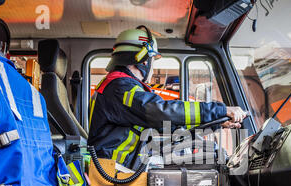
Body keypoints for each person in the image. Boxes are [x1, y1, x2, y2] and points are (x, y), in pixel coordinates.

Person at [88, 25, 247, 168]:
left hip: (121, 164)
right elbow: (161, 111)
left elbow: (167, 125)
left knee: (206, 154)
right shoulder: (120, 87)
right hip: (115, 169)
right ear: (144, 60)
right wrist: (220, 109)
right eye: (152, 60)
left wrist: (214, 124)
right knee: (208, 160)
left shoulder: (119, 86)